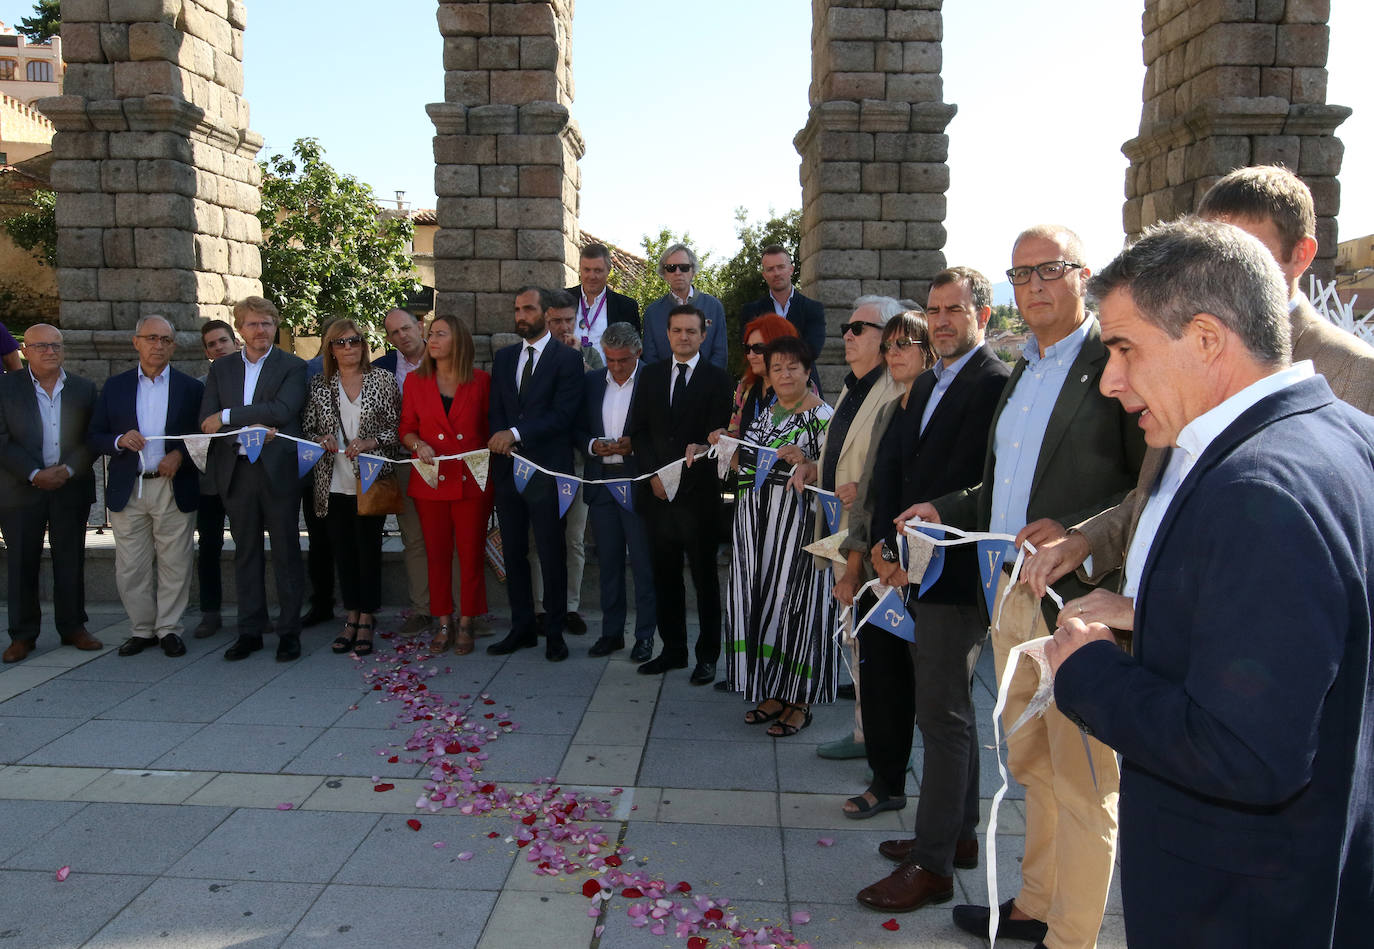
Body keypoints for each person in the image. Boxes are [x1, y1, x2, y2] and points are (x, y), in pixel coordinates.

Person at [1047, 217, 1374, 947]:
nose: (1110, 379)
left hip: (1240, 906)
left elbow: (1245, 752)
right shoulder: (1346, 434)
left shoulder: (1259, 490)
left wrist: (1089, 669)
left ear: (1205, 338)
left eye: (1125, 348)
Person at [907, 227, 1145, 949]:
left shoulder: (1115, 362)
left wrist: (1075, 529)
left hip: (1079, 605)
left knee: (1084, 782)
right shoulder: (1022, 369)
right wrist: (946, 508)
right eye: (1022, 273)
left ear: (1084, 273)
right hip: (1012, 596)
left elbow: (1148, 489)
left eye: (1050, 269)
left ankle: (1072, 936)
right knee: (1032, 764)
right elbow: (1001, 489)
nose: (1035, 285)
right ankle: (1034, 905)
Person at [1024, 165, 1374, 623]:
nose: (1214, 267)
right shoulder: (1171, 355)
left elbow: (1300, 595)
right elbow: (1157, 491)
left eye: (1243, 251)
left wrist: (1147, 614)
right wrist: (1086, 540)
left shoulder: (1351, 371)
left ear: (1301, 254)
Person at [847, 271, 1010, 913]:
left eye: (955, 310)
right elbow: (904, 468)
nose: (941, 321)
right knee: (947, 712)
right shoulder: (934, 381)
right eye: (934, 311)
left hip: (954, 567)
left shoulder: (991, 381)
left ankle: (934, 864)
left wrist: (917, 547)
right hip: (917, 559)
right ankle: (956, 836)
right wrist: (890, 547)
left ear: (983, 315)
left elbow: (971, 480)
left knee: (940, 716)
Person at [796, 295, 905, 757]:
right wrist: (812, 466)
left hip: (875, 535)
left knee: (880, 644)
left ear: (886, 340)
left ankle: (881, 740)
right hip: (843, 529)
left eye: (859, 328)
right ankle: (865, 731)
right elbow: (837, 452)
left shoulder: (896, 387)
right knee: (857, 638)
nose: (847, 334)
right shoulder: (852, 385)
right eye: (847, 326)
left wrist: (863, 485)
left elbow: (892, 464)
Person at [718, 335, 834, 735]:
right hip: (754, 526)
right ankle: (772, 690)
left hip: (798, 530)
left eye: (793, 367)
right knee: (762, 602)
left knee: (796, 608)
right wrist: (722, 447)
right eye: (777, 367)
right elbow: (746, 463)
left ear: (807, 371)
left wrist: (810, 461)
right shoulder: (766, 412)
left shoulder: (824, 418)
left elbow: (835, 473)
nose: (785, 374)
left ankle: (800, 701)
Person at [626, 304, 734, 680]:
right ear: (667, 334)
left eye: (691, 331)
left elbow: (717, 440)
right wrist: (655, 476)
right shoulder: (651, 375)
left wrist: (678, 480)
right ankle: (673, 650)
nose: (684, 337)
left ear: (703, 335)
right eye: (677, 331)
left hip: (698, 499)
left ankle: (707, 656)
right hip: (656, 497)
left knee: (704, 580)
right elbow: (637, 432)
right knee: (664, 577)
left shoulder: (719, 380)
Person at [88, 315, 204, 659]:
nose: (158, 345)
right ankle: (141, 630)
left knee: (175, 562)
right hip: (130, 487)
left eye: (166, 339)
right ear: (136, 342)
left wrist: (179, 455)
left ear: (174, 346)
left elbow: (201, 435)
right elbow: (95, 435)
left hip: (171, 485)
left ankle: (168, 628)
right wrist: (120, 439)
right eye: (151, 338)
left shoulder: (190, 388)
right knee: (131, 566)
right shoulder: (116, 386)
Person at [200, 296, 308, 663]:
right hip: (237, 470)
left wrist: (230, 415)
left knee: (286, 552)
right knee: (244, 552)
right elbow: (207, 421)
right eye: (252, 323)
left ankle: (289, 632)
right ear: (240, 329)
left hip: (277, 472)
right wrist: (245, 422)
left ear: (275, 326)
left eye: (266, 323)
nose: (260, 330)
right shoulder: (221, 369)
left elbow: (282, 410)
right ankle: (250, 630)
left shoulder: (293, 366)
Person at [486, 286, 585, 662]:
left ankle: (554, 632)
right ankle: (522, 627)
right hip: (508, 469)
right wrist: (502, 438)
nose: (520, 315)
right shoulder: (505, 357)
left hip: (547, 470)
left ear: (545, 314)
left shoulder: (567, 360)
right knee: (513, 551)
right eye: (516, 309)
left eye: (527, 309)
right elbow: (497, 409)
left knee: (551, 551)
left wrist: (514, 434)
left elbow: (563, 415)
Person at [0, 324, 101, 663]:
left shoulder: (84, 389)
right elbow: (2, 441)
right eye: (40, 346)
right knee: (21, 563)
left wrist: (67, 470)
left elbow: (93, 437)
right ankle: (23, 635)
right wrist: (33, 474)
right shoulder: (5, 388)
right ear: (25, 350)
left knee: (70, 560)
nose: (49, 351)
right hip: (20, 489)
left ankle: (73, 627)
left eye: (56, 345)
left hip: (69, 488)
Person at [301, 318, 401, 658]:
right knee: (342, 551)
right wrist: (321, 438)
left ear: (364, 345)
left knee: (368, 550)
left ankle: (367, 615)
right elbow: (307, 429)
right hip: (332, 481)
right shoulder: (319, 385)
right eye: (340, 342)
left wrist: (371, 440)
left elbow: (397, 430)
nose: (348, 348)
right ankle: (351, 614)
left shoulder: (383, 381)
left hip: (370, 479)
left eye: (354, 341)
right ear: (330, 348)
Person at [400, 315, 492, 655]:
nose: (432, 339)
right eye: (431, 333)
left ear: (459, 341)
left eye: (441, 334)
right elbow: (406, 427)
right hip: (430, 480)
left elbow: (488, 428)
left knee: (470, 554)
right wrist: (416, 444)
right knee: (436, 555)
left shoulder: (481, 381)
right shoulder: (414, 382)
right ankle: (442, 621)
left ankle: (467, 621)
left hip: (471, 480)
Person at [576, 321, 657, 659]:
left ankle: (645, 636)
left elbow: (664, 431)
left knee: (643, 564)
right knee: (608, 563)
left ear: (637, 353)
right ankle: (611, 633)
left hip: (637, 482)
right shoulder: (592, 381)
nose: (616, 366)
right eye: (610, 359)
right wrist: (594, 445)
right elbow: (577, 428)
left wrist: (634, 446)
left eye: (623, 360)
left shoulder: (654, 380)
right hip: (601, 482)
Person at [375, 307, 442, 637]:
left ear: (420, 325)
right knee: (413, 540)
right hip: (404, 463)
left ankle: (457, 609)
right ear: (388, 338)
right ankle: (422, 610)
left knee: (450, 538)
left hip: (446, 464)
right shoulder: (382, 369)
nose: (402, 336)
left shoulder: (447, 357)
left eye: (406, 328)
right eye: (393, 333)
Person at [533, 289, 595, 635]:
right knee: (539, 539)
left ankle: (570, 606)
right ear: (546, 320)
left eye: (568, 320)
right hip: (541, 463)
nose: (561, 326)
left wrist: (578, 361)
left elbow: (598, 398)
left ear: (577, 320)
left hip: (578, 463)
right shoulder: (534, 357)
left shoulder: (592, 356)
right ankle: (543, 607)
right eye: (555, 320)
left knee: (574, 538)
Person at [192, 319, 239, 639]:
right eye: (211, 344)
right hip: (209, 480)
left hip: (244, 476)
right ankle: (211, 612)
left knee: (249, 544)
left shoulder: (251, 381)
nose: (218, 347)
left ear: (235, 341)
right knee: (208, 545)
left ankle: (255, 609)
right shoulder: (199, 385)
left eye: (223, 340)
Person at [739, 244, 826, 384]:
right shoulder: (751, 311)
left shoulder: (812, 308)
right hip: (762, 386)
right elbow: (750, 350)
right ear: (764, 275)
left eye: (781, 267)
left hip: (803, 385)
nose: (776, 273)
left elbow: (812, 350)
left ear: (791, 269)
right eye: (770, 269)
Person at [641, 244, 728, 368]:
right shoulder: (653, 312)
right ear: (664, 274)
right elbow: (650, 358)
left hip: (707, 383)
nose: (678, 272)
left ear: (693, 271)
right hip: (666, 385)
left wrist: (707, 382)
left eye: (684, 267)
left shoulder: (714, 306)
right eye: (671, 268)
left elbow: (720, 354)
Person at [727, 314, 805, 438]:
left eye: (758, 348)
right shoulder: (746, 385)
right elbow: (734, 434)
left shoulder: (801, 387)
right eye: (747, 348)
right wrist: (720, 438)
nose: (751, 355)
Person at [565, 242, 642, 355]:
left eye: (598, 270)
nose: (592, 276)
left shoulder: (626, 307)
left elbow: (634, 352)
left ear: (608, 271)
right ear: (580, 269)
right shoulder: (564, 299)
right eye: (587, 270)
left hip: (608, 372)